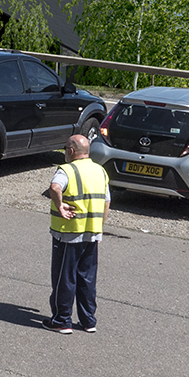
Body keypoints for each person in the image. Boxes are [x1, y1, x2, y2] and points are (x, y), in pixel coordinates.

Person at [43, 133, 110, 334]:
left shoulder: (67, 170)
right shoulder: (100, 171)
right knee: (87, 279)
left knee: (65, 277)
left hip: (69, 233)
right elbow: (106, 202)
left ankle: (62, 320)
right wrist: (99, 228)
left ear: (71, 151)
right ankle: (89, 320)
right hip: (92, 234)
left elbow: (55, 187)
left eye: (65, 149)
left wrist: (60, 206)